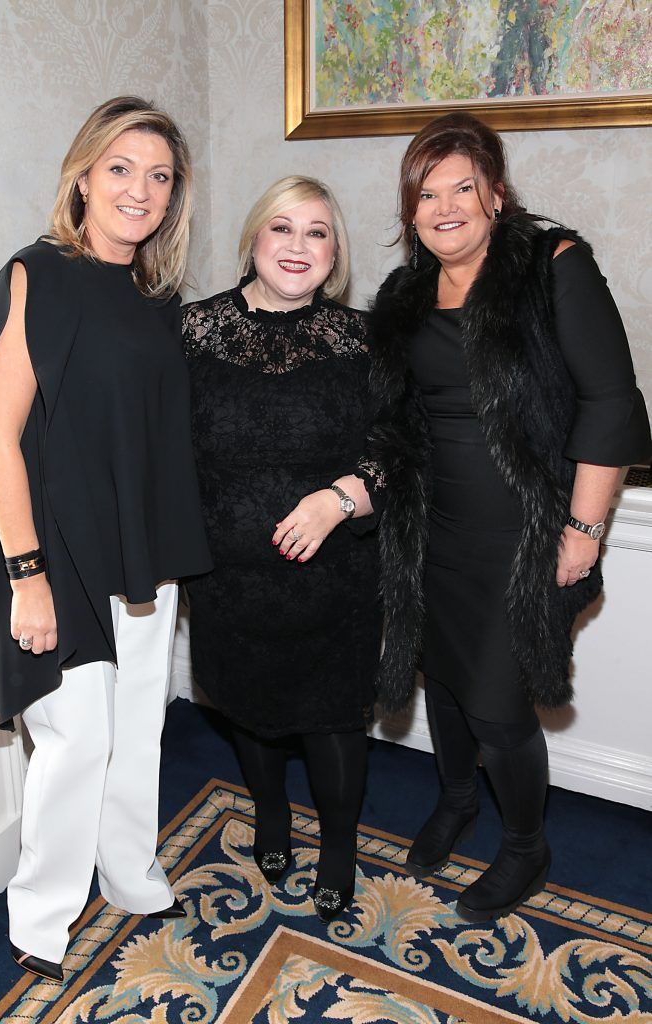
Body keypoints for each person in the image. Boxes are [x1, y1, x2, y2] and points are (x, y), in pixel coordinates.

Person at [0, 96, 212, 981]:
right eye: (122, 168)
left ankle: (130, 874)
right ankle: (41, 917)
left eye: (160, 176)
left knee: (139, 725)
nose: (141, 190)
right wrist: (27, 576)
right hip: (53, 551)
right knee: (77, 739)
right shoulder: (36, 276)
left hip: (138, 548)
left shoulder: (157, 298)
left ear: (175, 197)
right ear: (83, 174)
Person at [369, 113, 651, 923]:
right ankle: (458, 797)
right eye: (428, 192)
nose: (446, 205)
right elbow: (394, 421)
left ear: (496, 193)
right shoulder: (404, 295)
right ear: (411, 211)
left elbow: (609, 403)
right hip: (433, 531)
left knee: (497, 703)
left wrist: (584, 531)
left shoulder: (552, 265)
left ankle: (527, 845)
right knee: (447, 683)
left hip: (528, 536)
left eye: (464, 186)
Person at [182, 176, 383, 922]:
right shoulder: (191, 331)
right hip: (225, 577)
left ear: (335, 253)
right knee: (246, 704)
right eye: (282, 229)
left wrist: (337, 500)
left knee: (333, 717)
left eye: (318, 233)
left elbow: (402, 446)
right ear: (254, 240)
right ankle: (271, 814)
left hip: (337, 581)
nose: (298, 246)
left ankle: (339, 846)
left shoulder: (362, 339)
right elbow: (161, 448)